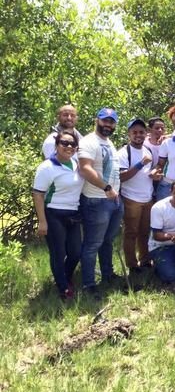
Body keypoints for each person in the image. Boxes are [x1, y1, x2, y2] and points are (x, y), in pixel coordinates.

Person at [33, 131, 84, 300]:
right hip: (53, 214)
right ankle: (63, 287)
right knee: (58, 252)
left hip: (73, 214)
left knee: (76, 252)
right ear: (56, 145)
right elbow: (38, 194)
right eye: (64, 143)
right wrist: (42, 222)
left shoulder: (77, 164)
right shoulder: (47, 167)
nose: (69, 147)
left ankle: (65, 277)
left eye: (72, 144)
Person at [78, 108, 123, 295]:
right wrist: (106, 188)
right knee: (92, 244)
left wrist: (114, 192)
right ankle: (88, 284)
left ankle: (108, 274)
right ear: (97, 120)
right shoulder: (89, 141)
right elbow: (85, 169)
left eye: (112, 122)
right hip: (96, 200)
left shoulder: (108, 142)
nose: (108, 125)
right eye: (105, 120)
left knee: (107, 241)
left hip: (112, 200)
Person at [118, 118, 156, 273]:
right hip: (130, 198)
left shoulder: (148, 150)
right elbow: (121, 177)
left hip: (147, 198)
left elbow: (149, 172)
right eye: (134, 132)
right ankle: (132, 265)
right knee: (131, 233)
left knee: (145, 232)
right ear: (129, 134)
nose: (138, 135)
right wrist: (140, 164)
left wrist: (155, 174)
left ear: (146, 133)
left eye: (141, 132)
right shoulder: (123, 153)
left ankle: (145, 260)